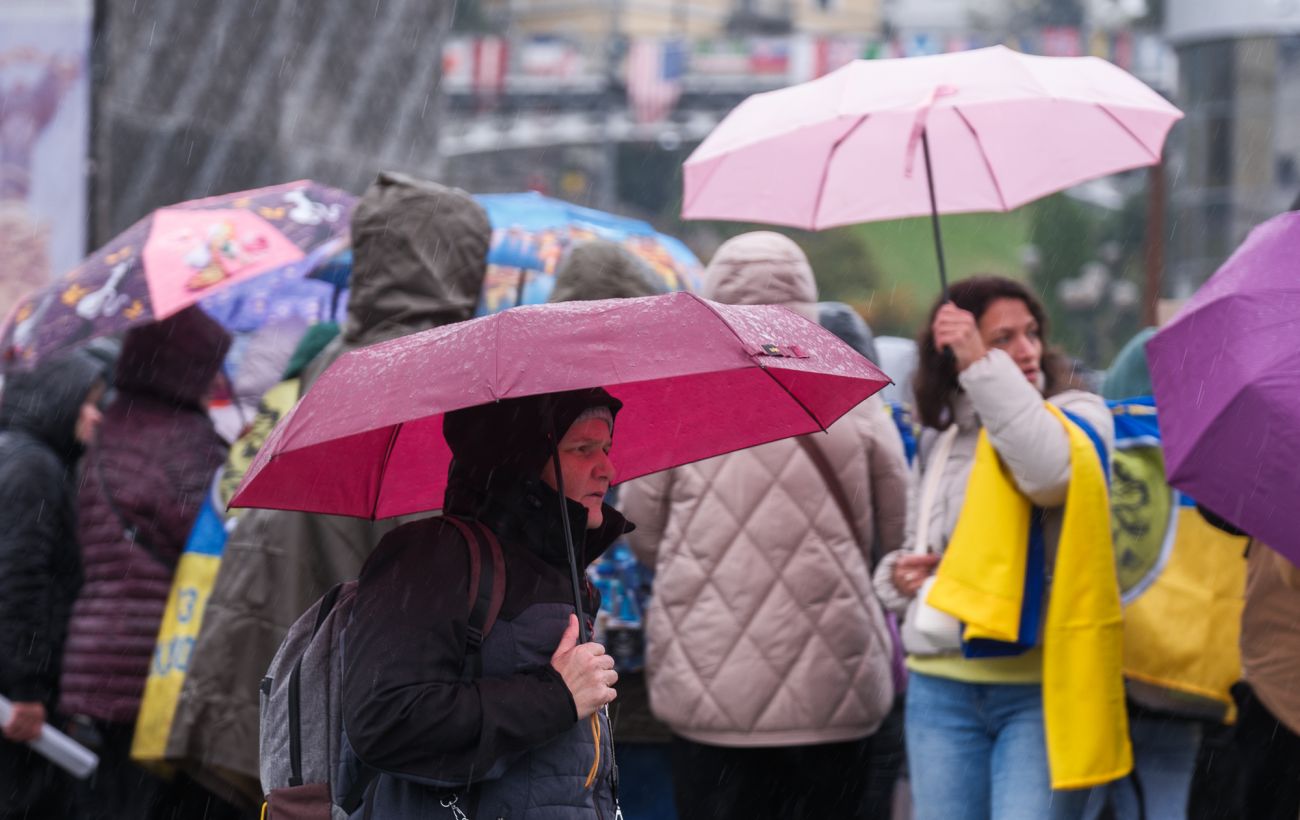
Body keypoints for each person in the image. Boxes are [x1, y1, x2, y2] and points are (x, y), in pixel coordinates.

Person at [167, 173, 492, 806]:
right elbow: (431, 565)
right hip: (313, 713)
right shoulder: (418, 379)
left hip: (261, 672)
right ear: (456, 264)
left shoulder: (338, 357)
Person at [621, 231, 909, 820]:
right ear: (807, 300)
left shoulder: (678, 398)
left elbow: (641, 531)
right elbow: (896, 534)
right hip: (837, 680)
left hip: (710, 685)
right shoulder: (856, 397)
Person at [872, 275, 1115, 820]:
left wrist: (984, 364)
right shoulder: (941, 438)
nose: (1026, 350)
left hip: (1038, 689)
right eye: (1003, 338)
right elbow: (922, 544)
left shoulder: (1079, 415)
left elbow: (1047, 472)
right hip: (940, 687)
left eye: (1031, 333)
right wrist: (900, 578)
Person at [340, 388, 627, 817]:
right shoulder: (434, 556)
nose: (607, 468)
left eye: (605, 448)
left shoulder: (566, 570)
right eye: (582, 449)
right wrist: (556, 696)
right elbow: (384, 719)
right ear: (520, 463)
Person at [58, 307, 233, 819]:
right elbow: (207, 541)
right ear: (188, 368)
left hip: (93, 654)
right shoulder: (186, 442)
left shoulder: (111, 427)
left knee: (115, 799)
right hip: (160, 663)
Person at [0, 350, 106, 819]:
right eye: (88, 402)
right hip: (15, 695)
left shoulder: (15, 455)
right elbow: (21, 581)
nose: (96, 415)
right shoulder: (35, 469)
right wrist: (26, 690)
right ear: (57, 401)